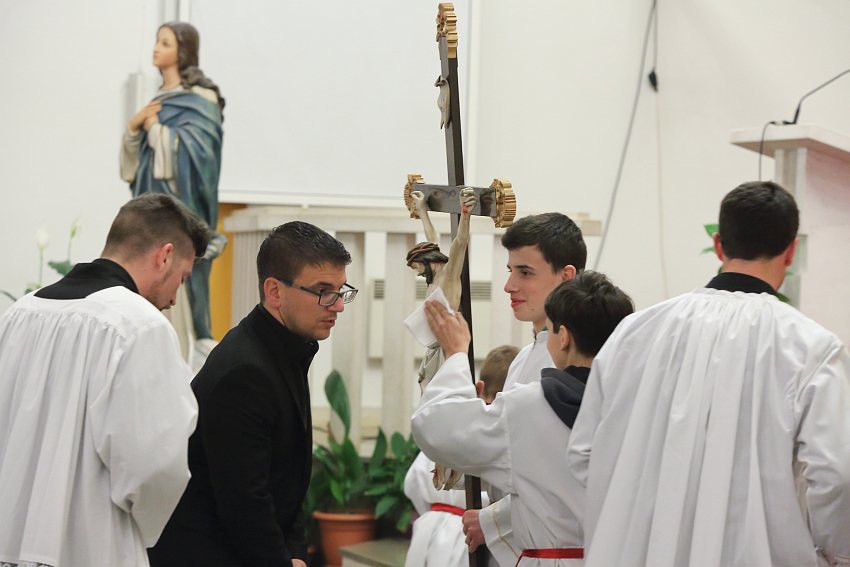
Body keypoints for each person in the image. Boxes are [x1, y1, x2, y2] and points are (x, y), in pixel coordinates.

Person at [567, 181, 850, 567]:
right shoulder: (810, 346)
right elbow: (837, 474)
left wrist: (635, 521)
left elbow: (584, 453)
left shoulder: (635, 332)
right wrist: (834, 549)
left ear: (719, 245)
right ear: (791, 252)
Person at [0, 194, 211, 567]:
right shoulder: (139, 325)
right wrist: (146, 526)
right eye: (182, 279)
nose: (176, 299)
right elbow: (155, 465)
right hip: (89, 546)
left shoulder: (19, 313)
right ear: (164, 256)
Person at [148, 221, 356, 567]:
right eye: (323, 291)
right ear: (274, 291)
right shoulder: (246, 371)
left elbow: (287, 489)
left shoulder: (282, 348)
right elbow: (243, 501)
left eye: (341, 290)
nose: (337, 306)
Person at [412, 272, 634, 566]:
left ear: (564, 337)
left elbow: (435, 427)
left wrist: (455, 356)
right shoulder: (637, 404)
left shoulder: (532, 406)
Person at [483, 212, 587, 566]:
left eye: (525, 273)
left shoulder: (573, 363)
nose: (510, 286)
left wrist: (490, 520)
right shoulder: (524, 357)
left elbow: (559, 481)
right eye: (510, 271)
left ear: (566, 276)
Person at [120, 21, 226, 360]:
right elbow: (137, 167)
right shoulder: (159, 100)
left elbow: (200, 159)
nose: (155, 48)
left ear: (182, 51)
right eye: (156, 41)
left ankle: (176, 357)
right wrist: (134, 129)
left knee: (175, 283)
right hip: (151, 209)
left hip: (181, 211)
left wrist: (155, 128)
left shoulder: (201, 100)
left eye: (164, 43)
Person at [403, 345, 517, 567]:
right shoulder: (503, 434)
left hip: (429, 531)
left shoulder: (449, 429)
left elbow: (414, 484)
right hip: (467, 536)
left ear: (480, 388)